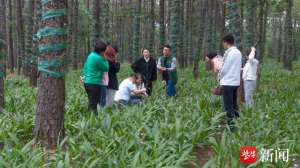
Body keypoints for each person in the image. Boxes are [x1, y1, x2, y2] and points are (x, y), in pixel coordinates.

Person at [219, 35, 242, 129]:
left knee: (228, 105)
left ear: (226, 42)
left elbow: (225, 68)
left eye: (223, 43)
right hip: (235, 82)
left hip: (228, 82)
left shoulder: (230, 53)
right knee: (234, 103)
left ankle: (231, 126)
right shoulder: (238, 52)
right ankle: (237, 121)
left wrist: (219, 75)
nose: (223, 45)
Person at [82, 39, 109, 114]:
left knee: (91, 102)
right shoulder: (99, 58)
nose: (105, 52)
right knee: (94, 105)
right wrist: (105, 59)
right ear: (101, 51)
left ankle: (89, 117)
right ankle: (94, 121)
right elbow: (106, 68)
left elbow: (85, 67)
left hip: (87, 82)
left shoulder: (90, 55)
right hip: (94, 83)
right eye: (104, 51)